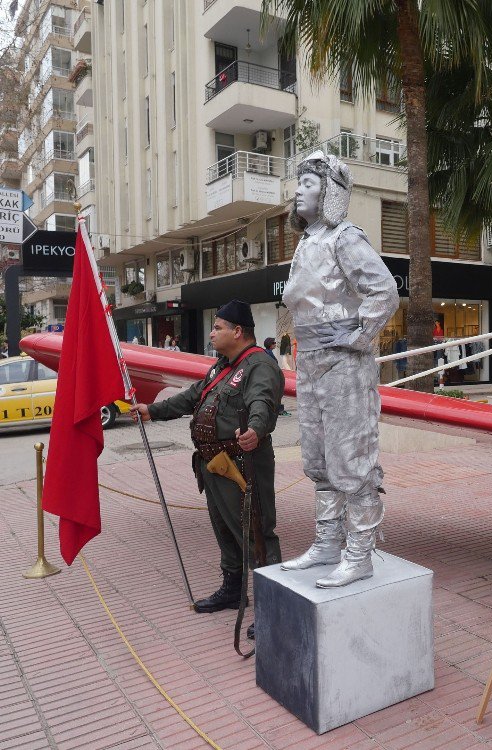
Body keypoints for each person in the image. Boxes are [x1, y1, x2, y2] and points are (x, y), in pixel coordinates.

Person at [279, 150, 400, 588]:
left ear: (330, 192)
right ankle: (328, 543)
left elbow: (384, 292)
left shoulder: (345, 238)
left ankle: (360, 552)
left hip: (345, 367)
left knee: (351, 459)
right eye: (299, 183)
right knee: (319, 459)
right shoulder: (307, 242)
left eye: (308, 184)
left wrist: (355, 337)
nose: (298, 190)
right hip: (312, 362)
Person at [133, 300, 284, 624]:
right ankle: (232, 590)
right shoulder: (222, 367)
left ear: (238, 331)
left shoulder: (259, 365)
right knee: (226, 532)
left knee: (256, 534)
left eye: (218, 328)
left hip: (243, 464)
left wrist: (256, 429)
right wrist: (152, 410)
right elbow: (193, 396)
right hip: (214, 465)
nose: (212, 334)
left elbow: (263, 400)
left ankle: (273, 609)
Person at [262, 337, 291, 416]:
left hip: (271, 376)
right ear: (270, 344)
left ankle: (277, 409)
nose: (275, 344)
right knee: (276, 393)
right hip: (272, 376)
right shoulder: (268, 353)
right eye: (273, 343)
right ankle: (278, 409)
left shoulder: (268, 352)